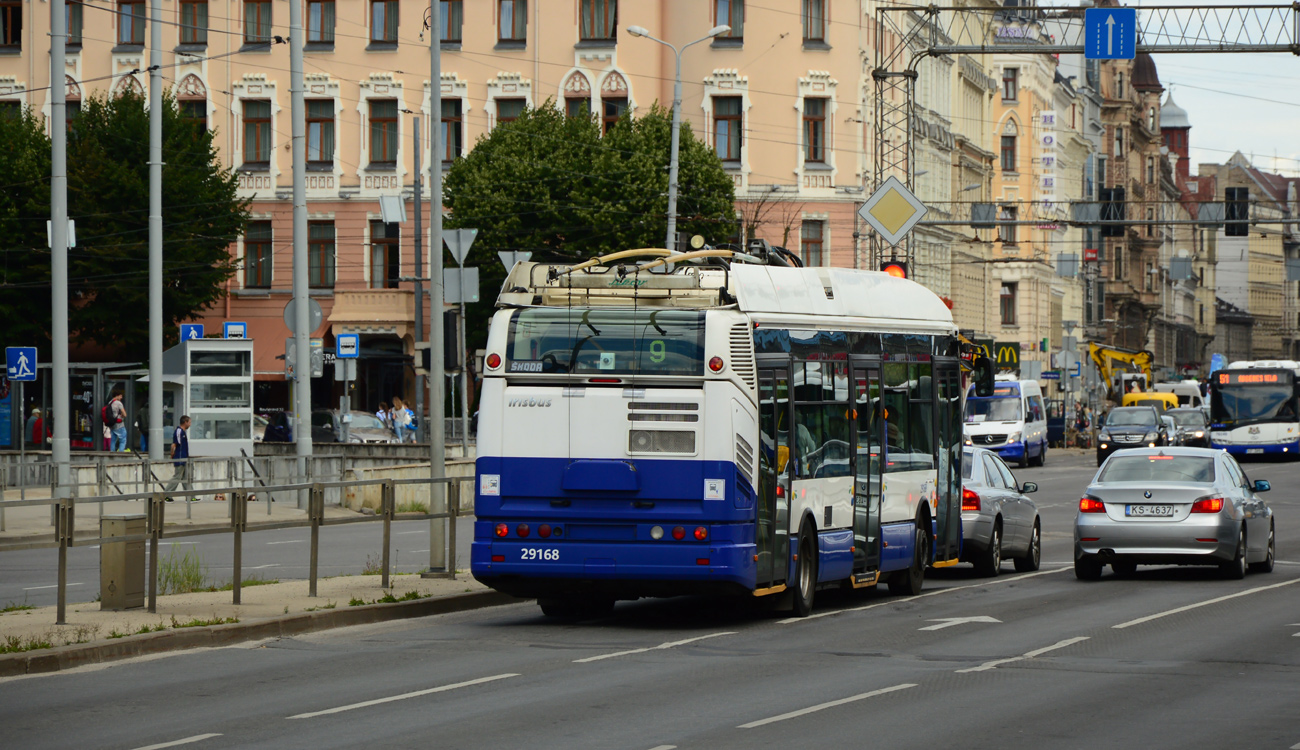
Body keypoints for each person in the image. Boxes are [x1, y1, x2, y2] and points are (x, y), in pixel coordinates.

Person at [163, 415, 195, 501]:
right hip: (180, 458)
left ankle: (190, 496)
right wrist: (172, 455)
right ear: (185, 422)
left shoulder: (182, 432)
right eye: (189, 422)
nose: (190, 424)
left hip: (184, 458)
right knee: (177, 477)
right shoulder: (179, 431)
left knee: (186, 478)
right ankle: (166, 494)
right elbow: (174, 444)